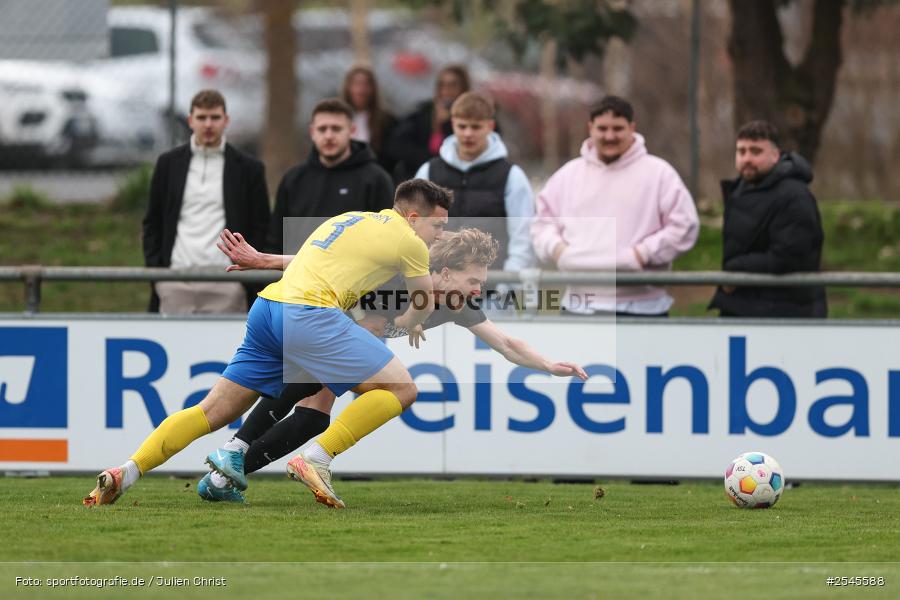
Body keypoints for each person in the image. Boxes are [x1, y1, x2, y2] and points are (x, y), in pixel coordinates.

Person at [84, 179, 451, 510]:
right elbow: (425, 297)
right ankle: (317, 459)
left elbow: (309, 261)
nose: (439, 234)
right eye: (438, 225)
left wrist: (262, 260)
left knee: (210, 411)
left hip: (268, 309)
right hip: (310, 315)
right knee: (401, 388)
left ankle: (126, 472)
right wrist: (409, 324)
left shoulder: (351, 220)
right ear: (414, 217)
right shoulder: (410, 241)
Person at [196, 228, 587, 502]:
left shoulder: (457, 304)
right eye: (473, 280)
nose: (477, 290)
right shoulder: (402, 274)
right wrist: (264, 260)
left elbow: (506, 343)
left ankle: (223, 475)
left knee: (314, 416)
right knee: (328, 384)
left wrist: (550, 365)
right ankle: (262, 454)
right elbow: (324, 261)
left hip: (343, 346)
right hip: (315, 324)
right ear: (446, 272)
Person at [531, 95, 699, 317]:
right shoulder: (568, 175)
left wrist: (642, 254)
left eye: (617, 128)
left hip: (642, 308)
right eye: (602, 128)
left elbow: (685, 225)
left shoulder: (659, 174)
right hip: (579, 306)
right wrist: (559, 251)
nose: (609, 136)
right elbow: (541, 222)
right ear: (590, 128)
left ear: (632, 128)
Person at [142, 89, 270, 314]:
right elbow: (153, 223)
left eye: (215, 117)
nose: (208, 124)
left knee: (225, 349)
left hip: (227, 283)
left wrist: (245, 280)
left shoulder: (249, 169)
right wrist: (159, 276)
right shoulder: (168, 164)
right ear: (191, 120)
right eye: (202, 118)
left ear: (226, 120)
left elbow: (261, 226)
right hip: (176, 281)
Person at [709, 120, 827, 318]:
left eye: (756, 152)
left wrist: (735, 270)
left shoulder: (795, 196)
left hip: (784, 312)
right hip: (744, 307)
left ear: (775, 155)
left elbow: (789, 257)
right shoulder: (740, 190)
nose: (747, 158)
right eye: (741, 151)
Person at [415, 91, 535, 277]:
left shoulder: (512, 176)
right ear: (453, 124)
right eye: (462, 126)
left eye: (475, 127)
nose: (468, 133)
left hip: (491, 291)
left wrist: (505, 285)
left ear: (490, 126)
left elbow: (523, 238)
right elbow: (413, 230)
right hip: (438, 288)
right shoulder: (428, 172)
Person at [268, 98, 394, 254]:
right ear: (312, 132)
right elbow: (275, 241)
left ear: (352, 130)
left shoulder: (376, 180)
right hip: (299, 275)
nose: (328, 135)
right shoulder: (293, 180)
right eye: (322, 129)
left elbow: (387, 240)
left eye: (336, 128)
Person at [386, 64, 470, 183]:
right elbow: (397, 145)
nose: (446, 90)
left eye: (452, 85)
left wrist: (446, 124)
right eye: (442, 85)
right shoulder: (423, 113)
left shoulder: (473, 118)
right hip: (418, 181)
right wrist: (428, 160)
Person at [341, 65, 397, 174]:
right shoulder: (337, 119)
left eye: (366, 85)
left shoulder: (386, 121)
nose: (361, 90)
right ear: (348, 88)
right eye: (356, 84)